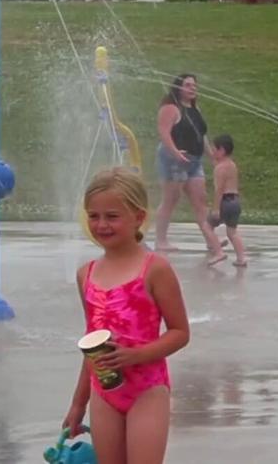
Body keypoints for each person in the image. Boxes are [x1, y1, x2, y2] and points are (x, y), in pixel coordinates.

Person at [63, 166, 190, 464]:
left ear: (138, 217)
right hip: (104, 393)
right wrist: (78, 403)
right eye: (94, 216)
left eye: (112, 216)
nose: (101, 225)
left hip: (147, 390)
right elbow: (91, 345)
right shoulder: (86, 275)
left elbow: (180, 332)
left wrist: (136, 355)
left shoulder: (155, 269)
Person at [153, 73, 226, 265]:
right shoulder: (171, 108)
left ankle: (211, 240)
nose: (193, 88)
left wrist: (212, 156)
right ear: (178, 87)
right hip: (173, 159)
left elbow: (201, 135)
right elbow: (163, 132)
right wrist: (175, 152)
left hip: (194, 160)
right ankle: (161, 240)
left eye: (194, 85)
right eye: (188, 85)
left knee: (200, 201)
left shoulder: (194, 108)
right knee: (170, 199)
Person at [207, 135, 247, 267]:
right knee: (232, 232)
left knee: (207, 226)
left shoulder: (220, 168)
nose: (212, 152)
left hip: (225, 201)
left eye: (214, 149)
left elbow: (219, 189)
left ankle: (218, 252)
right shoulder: (232, 165)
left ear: (222, 150)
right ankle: (241, 258)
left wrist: (216, 208)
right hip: (235, 201)